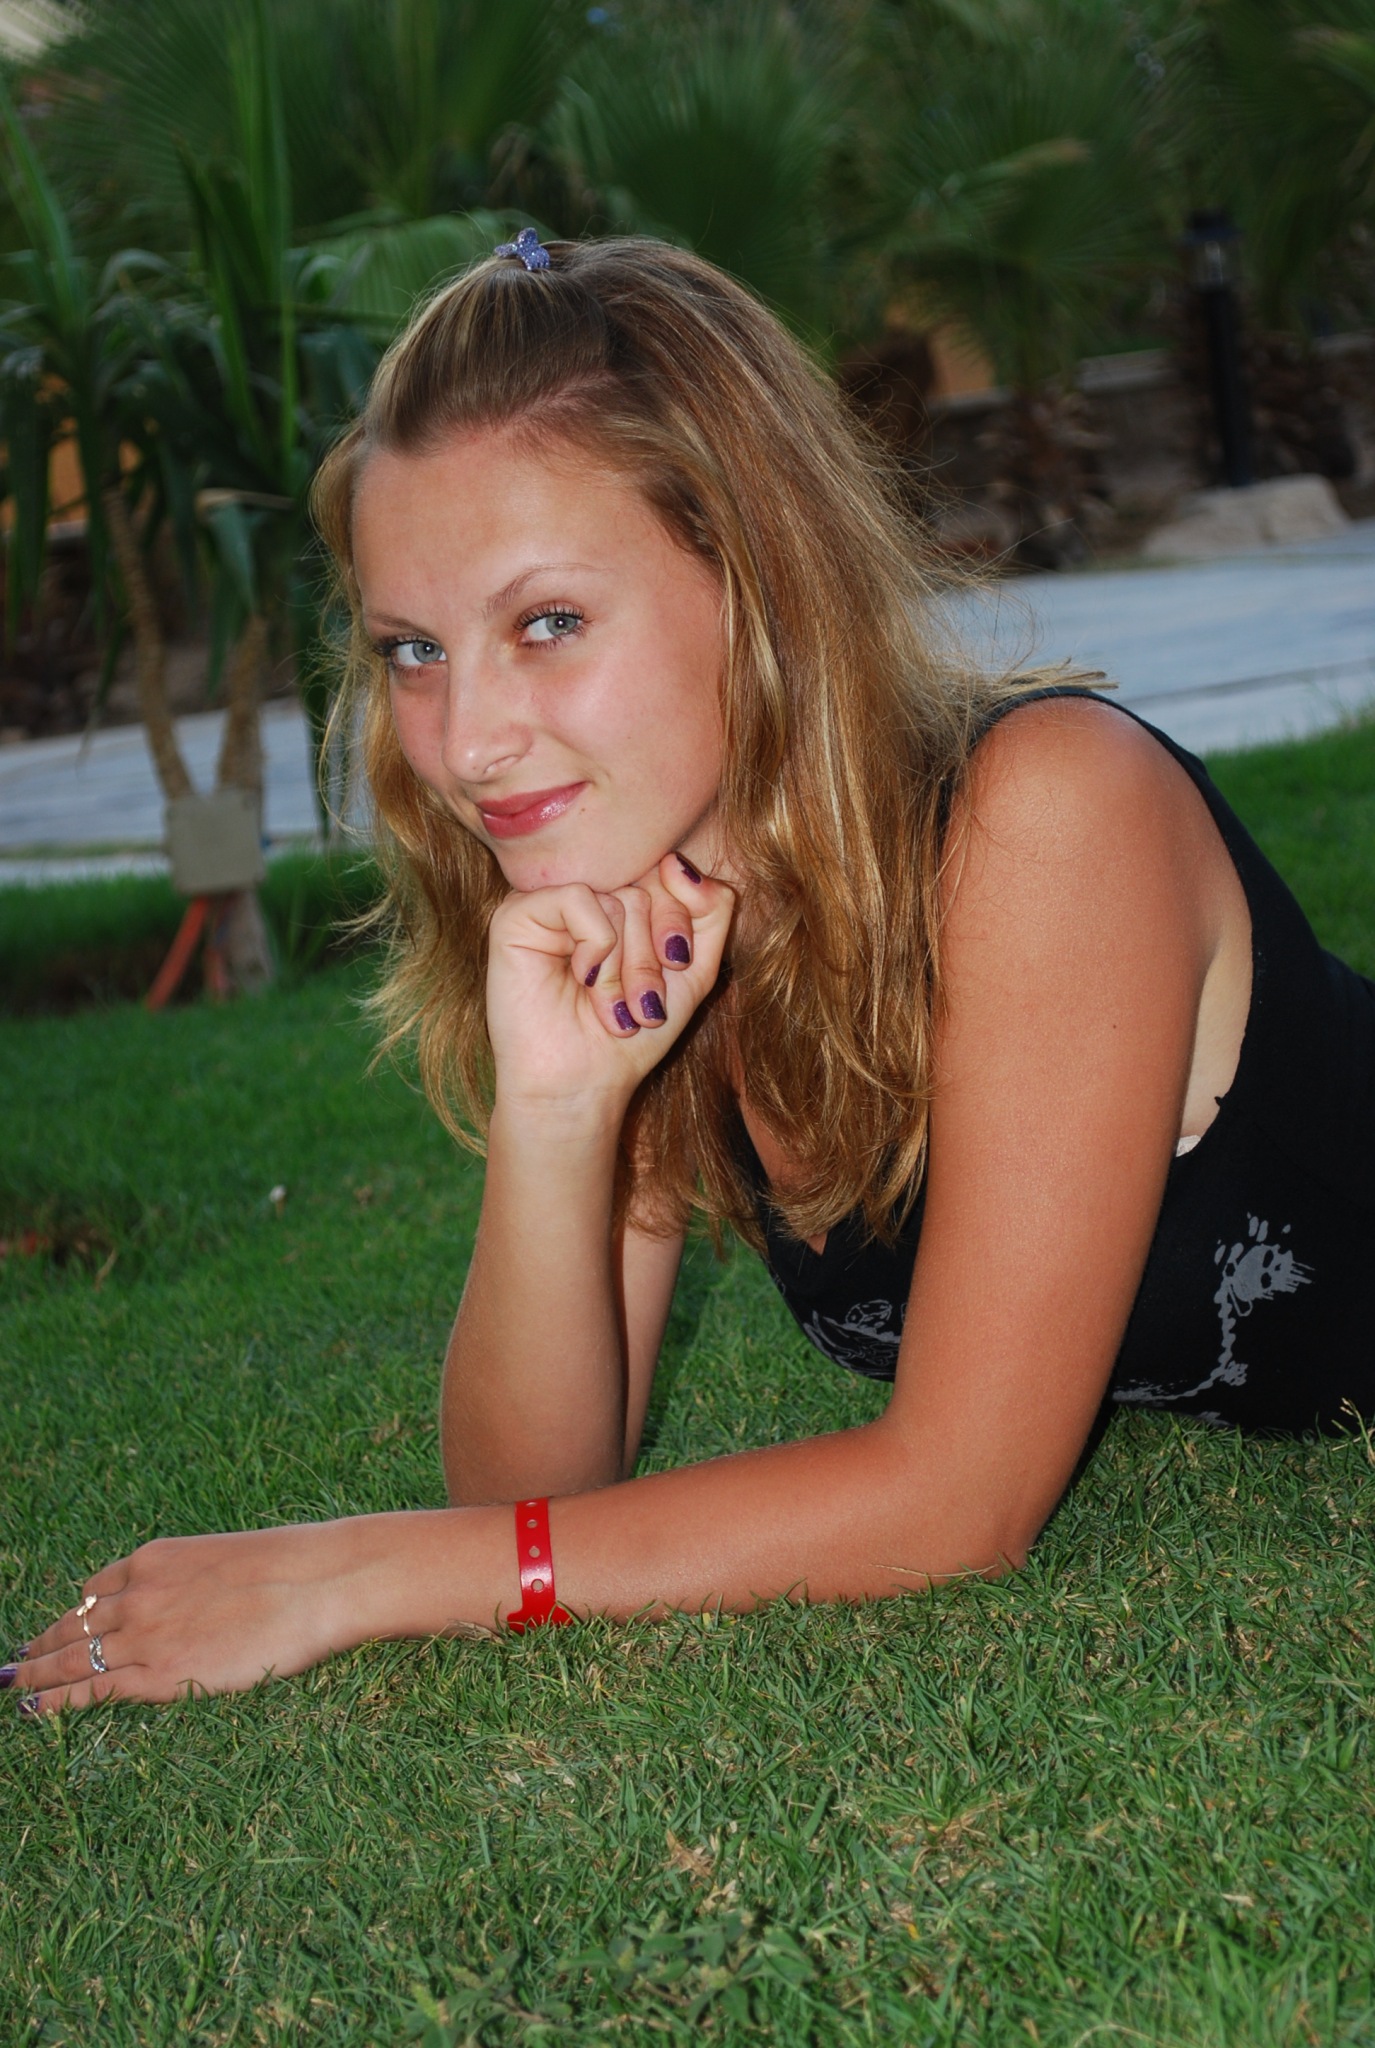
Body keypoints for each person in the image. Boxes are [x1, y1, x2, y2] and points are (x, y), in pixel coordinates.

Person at [9, 237, 1373, 1714]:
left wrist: (351, 1576)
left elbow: (957, 1500)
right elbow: (529, 1495)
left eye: (547, 623)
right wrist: (556, 1118)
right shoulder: (658, 906)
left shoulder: (1045, 814)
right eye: (413, 650)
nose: (467, 741)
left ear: (757, 576)